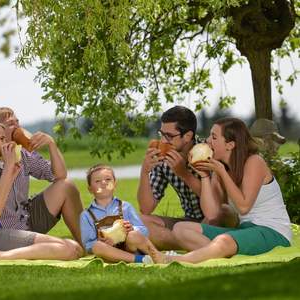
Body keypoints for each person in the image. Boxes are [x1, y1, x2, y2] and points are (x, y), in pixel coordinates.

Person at [150, 117, 292, 264]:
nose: (207, 141)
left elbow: (243, 207)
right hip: (245, 230)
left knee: (224, 240)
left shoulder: (254, 162)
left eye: (214, 137)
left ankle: (174, 259)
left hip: (272, 231)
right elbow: (212, 214)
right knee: (180, 229)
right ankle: (221, 253)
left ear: (230, 144)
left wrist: (222, 173)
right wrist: (204, 176)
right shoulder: (219, 168)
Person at [0, 120, 83, 260]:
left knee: (74, 247)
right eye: (1, 139)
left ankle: (2, 255)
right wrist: (8, 168)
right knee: (68, 250)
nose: (5, 143)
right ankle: (1, 257)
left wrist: (11, 172)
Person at [138, 106, 236, 250]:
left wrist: (183, 173)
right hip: (188, 221)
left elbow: (217, 204)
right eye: (161, 134)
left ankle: (189, 241)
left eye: (169, 136)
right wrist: (144, 172)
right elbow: (146, 208)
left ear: (188, 136)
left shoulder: (209, 152)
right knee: (142, 222)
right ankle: (192, 242)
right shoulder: (163, 158)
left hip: (215, 218)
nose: (163, 141)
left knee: (223, 211)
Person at [80, 164, 162, 264]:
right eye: (97, 181)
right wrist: (100, 240)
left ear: (115, 184)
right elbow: (88, 245)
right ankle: (140, 259)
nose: (103, 183)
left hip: (129, 248)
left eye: (108, 179)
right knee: (97, 246)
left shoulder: (125, 207)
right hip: (109, 254)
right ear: (90, 189)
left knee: (134, 235)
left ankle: (157, 255)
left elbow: (144, 231)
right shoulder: (86, 215)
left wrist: (132, 228)